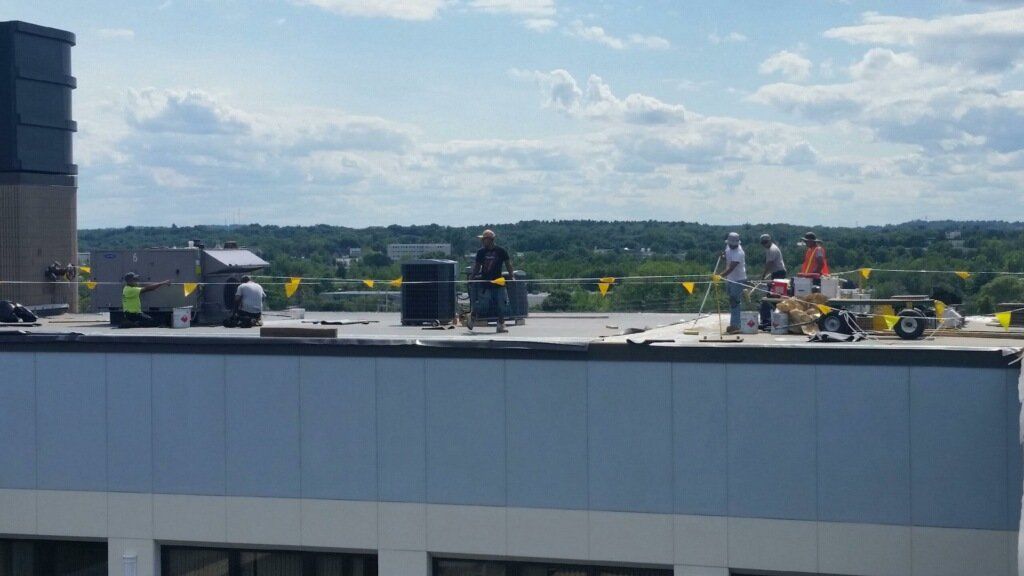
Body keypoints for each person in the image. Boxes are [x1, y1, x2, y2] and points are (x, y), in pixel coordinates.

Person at [468, 229, 514, 333]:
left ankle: (501, 325)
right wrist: (472, 277)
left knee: (501, 304)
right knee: (483, 305)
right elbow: (477, 267)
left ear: (490, 240)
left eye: (484, 239)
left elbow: (508, 264)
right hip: (485, 282)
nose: (482, 242)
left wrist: (512, 276)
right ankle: (472, 317)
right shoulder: (481, 252)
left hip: (498, 281)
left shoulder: (501, 251)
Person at [720, 232, 747, 334]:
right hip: (730, 279)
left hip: (738, 279)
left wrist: (720, 276)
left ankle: (736, 325)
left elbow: (731, 267)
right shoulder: (728, 247)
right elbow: (727, 256)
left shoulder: (739, 253)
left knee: (735, 301)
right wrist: (723, 257)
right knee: (732, 301)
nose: (730, 245)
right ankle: (734, 323)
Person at [758, 234, 787, 329]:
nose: (764, 244)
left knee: (774, 296)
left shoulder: (773, 249)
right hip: (775, 273)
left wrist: (763, 275)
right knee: (772, 295)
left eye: (765, 242)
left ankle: (770, 319)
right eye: (762, 243)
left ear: (770, 241)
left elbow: (769, 264)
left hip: (779, 274)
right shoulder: (769, 249)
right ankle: (770, 318)